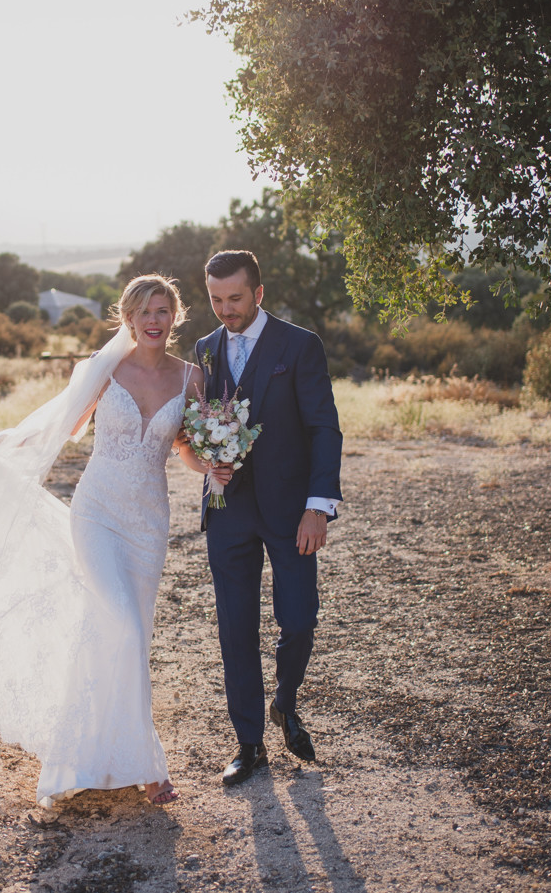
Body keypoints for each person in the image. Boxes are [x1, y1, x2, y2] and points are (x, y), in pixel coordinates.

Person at [0, 274, 212, 808]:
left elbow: (185, 447)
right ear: (128, 319)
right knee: (119, 618)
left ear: (175, 315)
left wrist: (215, 462)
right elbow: (61, 425)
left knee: (129, 634)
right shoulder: (107, 369)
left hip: (148, 523)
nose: (154, 321)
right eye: (144, 312)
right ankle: (135, 764)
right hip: (97, 515)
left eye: (163, 311)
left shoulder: (191, 379)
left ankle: (121, 757)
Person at [193, 250, 343, 787]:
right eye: (215, 300)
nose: (225, 310)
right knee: (236, 628)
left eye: (234, 298)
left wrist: (317, 507)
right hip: (228, 509)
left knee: (299, 620)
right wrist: (208, 460)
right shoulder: (205, 351)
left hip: (291, 512)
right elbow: (200, 424)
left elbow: (325, 427)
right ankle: (249, 743)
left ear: (258, 293)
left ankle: (285, 700)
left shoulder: (299, 345)